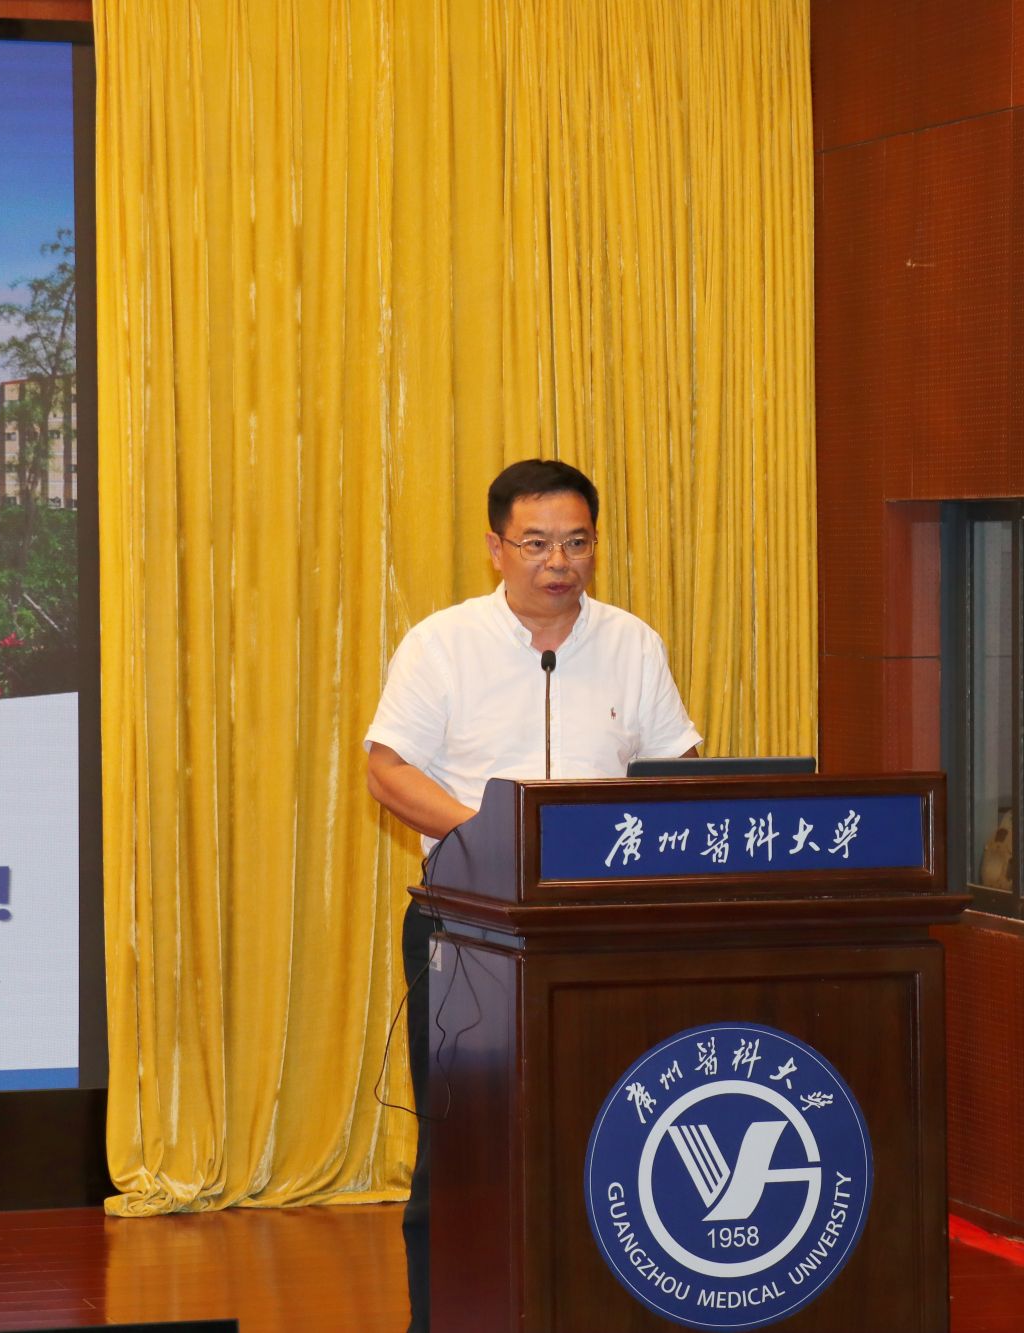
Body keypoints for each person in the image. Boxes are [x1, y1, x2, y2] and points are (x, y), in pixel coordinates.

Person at [364, 458, 700, 1333]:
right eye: (537, 543)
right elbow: (387, 769)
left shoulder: (632, 643)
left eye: (577, 543)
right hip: (466, 929)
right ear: (496, 547)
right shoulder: (442, 644)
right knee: (461, 1144)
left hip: (602, 931)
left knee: (611, 1128)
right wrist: (492, 837)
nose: (559, 563)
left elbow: (678, 770)